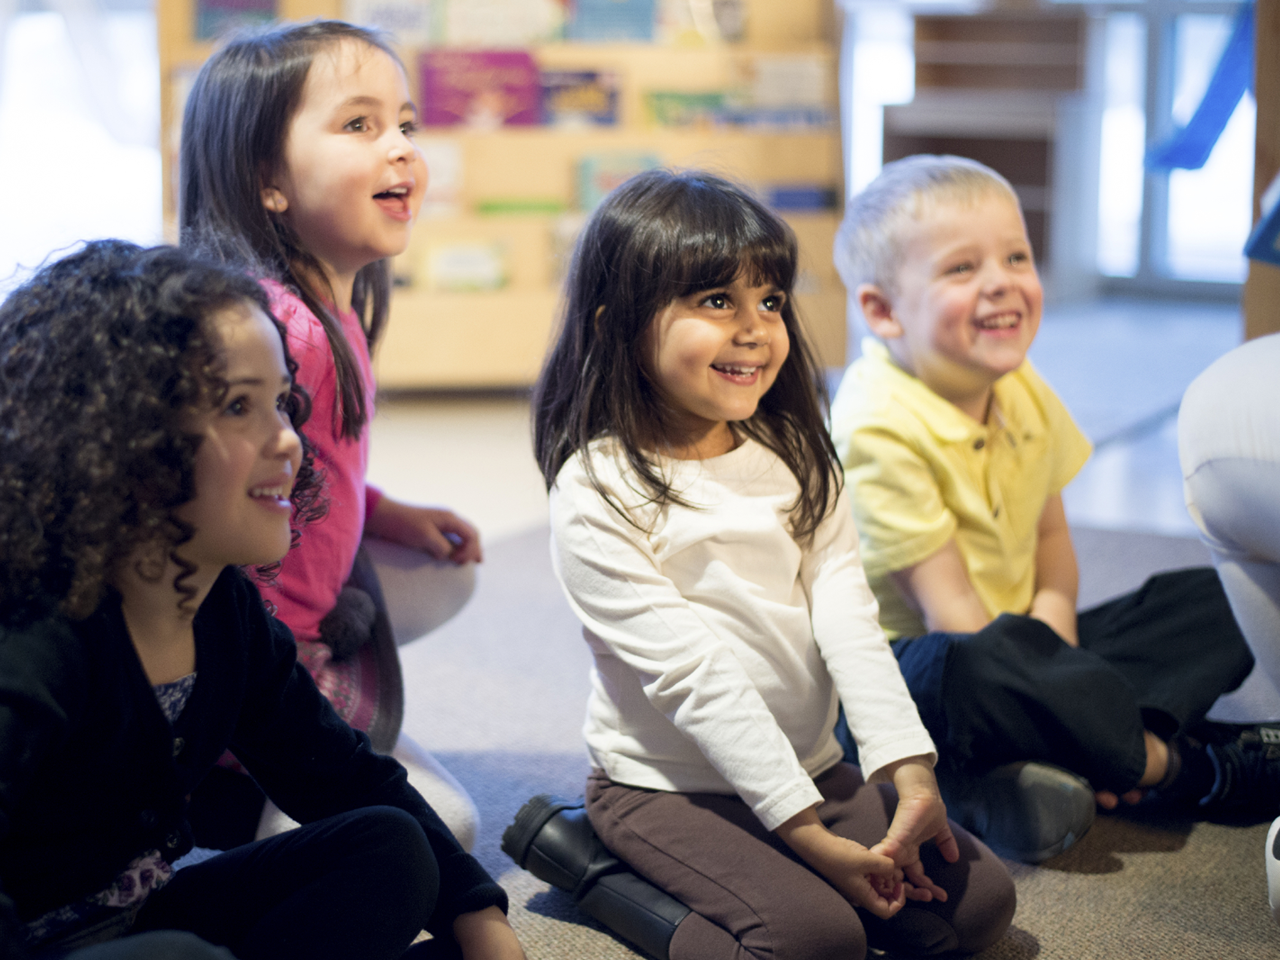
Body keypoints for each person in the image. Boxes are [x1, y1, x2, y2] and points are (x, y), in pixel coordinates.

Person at [506, 169, 1016, 960]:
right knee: (814, 942)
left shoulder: (798, 456)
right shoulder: (596, 487)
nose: (755, 328)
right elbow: (695, 677)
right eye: (717, 302)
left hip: (812, 768)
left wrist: (909, 773)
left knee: (982, 905)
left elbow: (851, 622)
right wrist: (807, 837)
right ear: (618, 325)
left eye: (770, 300)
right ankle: (589, 869)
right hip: (664, 789)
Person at [0, 240, 525, 960]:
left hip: (131, 919)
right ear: (121, 438)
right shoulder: (34, 635)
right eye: (239, 406)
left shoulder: (221, 605)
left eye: (282, 400)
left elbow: (340, 775)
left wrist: (480, 918)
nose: (289, 441)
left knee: (389, 844)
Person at [828, 153, 1264, 865]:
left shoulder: (1018, 380)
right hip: (922, 680)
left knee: (1225, 595)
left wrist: (1058, 653)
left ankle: (1051, 761)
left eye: (1016, 256)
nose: (1002, 281)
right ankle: (1177, 765)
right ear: (882, 310)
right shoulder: (875, 424)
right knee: (978, 665)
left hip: (1022, 652)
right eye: (962, 269)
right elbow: (953, 617)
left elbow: (1053, 544)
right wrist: (1053, 678)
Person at [178, 19, 482, 848]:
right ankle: (243, 786)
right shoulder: (282, 332)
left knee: (449, 571)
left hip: (306, 592)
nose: (401, 149)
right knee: (443, 830)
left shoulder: (330, 308)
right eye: (360, 125)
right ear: (268, 179)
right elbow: (224, 545)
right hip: (255, 649)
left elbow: (317, 470)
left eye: (406, 124)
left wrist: (384, 514)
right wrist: (287, 675)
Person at [1178, 331, 1280, 922]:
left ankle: (1165, 761)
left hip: (1045, 650)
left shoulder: (1030, 406)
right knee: (971, 670)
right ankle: (1170, 764)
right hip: (945, 657)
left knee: (1202, 608)